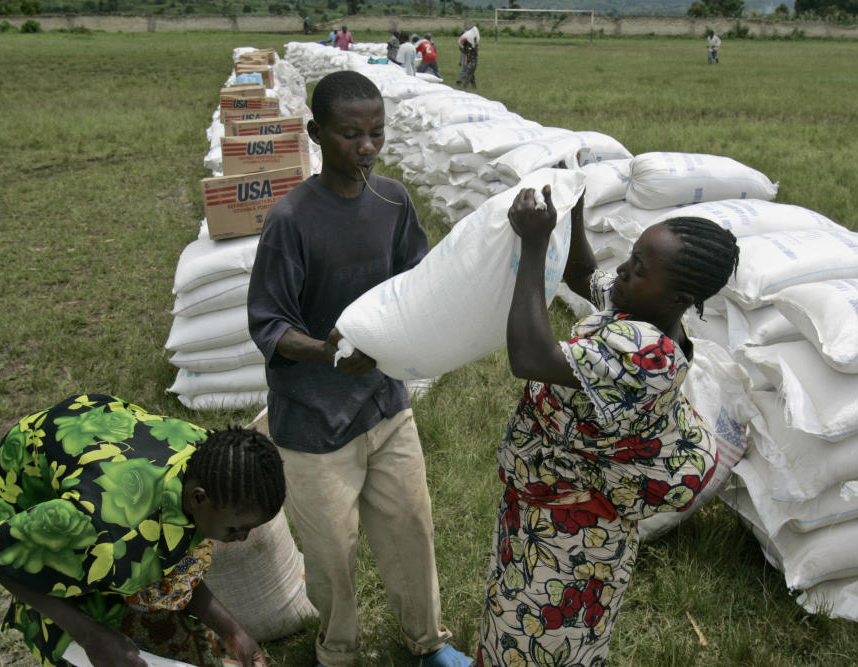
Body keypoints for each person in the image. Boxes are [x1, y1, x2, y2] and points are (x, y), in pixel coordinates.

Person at [246, 71, 470, 667]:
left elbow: (417, 281)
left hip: (385, 406)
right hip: (313, 423)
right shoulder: (292, 220)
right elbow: (269, 324)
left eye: (376, 133)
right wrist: (328, 351)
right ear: (317, 133)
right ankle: (337, 652)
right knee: (331, 554)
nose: (367, 147)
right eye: (351, 135)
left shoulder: (393, 201)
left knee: (410, 531)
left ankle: (427, 644)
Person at [475, 188, 740, 665]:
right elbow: (581, 275)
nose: (621, 271)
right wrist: (576, 209)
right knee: (512, 614)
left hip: (570, 535)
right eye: (630, 258)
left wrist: (534, 246)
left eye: (638, 268)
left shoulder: (647, 356)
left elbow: (529, 357)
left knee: (539, 638)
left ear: (679, 297)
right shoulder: (633, 306)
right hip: (547, 510)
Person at [0, 393, 286, 667]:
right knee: (82, 614)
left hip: (102, 436)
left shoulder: (216, 462)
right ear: (198, 498)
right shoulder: (100, 525)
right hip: (34, 462)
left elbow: (175, 559)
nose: (242, 538)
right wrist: (91, 636)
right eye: (236, 528)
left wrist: (232, 630)